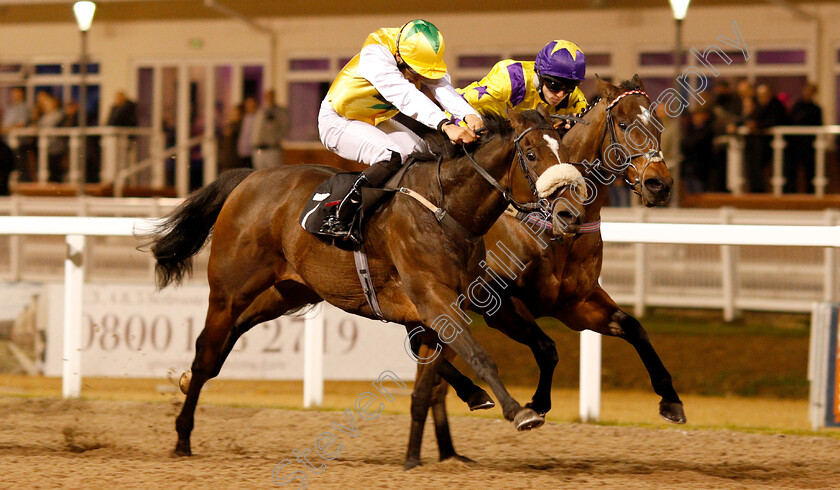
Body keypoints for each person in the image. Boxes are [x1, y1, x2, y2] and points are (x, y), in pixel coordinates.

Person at [317, 19, 482, 240]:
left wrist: (469, 114)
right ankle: (339, 215)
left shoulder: (415, 55)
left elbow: (442, 87)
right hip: (338, 120)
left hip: (373, 119)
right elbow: (406, 96)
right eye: (417, 73)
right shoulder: (376, 53)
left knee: (423, 155)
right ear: (398, 58)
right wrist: (445, 125)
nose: (422, 78)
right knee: (390, 155)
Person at [458, 40, 587, 129]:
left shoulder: (573, 97)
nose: (560, 95)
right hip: (485, 127)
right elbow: (458, 98)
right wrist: (463, 124)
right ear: (540, 76)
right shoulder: (509, 80)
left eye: (569, 88)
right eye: (554, 85)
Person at [785, 82, 822, 193]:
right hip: (795, 143)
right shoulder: (797, 106)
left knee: (810, 170)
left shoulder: (816, 109)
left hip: (808, 144)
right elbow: (791, 121)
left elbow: (819, 125)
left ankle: (810, 192)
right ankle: (791, 192)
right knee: (792, 170)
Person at [252, 89, 289, 169]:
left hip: (272, 149)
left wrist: (275, 139)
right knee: (259, 175)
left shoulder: (279, 112)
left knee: (274, 173)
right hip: (259, 149)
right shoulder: (260, 111)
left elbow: (285, 127)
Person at [237, 97, 258, 168]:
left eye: (251, 105)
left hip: (252, 152)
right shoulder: (244, 118)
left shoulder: (258, 117)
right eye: (248, 105)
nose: (249, 107)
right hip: (242, 151)